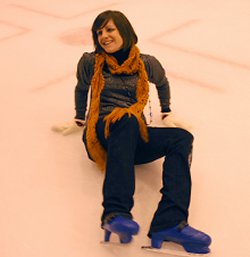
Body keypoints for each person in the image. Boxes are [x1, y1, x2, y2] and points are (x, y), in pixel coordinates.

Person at [53, 10, 212, 254]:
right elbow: (81, 88)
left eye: (109, 29)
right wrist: (78, 117)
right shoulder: (90, 62)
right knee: (126, 119)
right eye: (99, 32)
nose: (104, 36)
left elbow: (162, 82)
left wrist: (167, 111)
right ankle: (116, 212)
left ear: (124, 31)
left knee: (182, 139)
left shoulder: (146, 63)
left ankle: (169, 222)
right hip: (103, 132)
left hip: (132, 137)